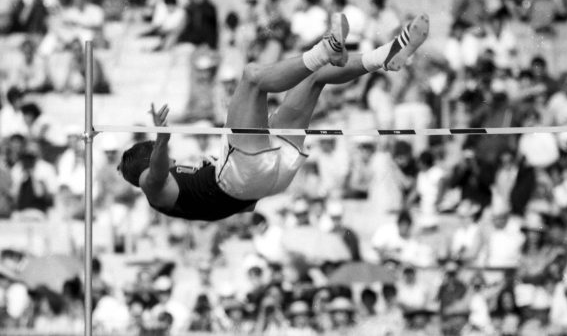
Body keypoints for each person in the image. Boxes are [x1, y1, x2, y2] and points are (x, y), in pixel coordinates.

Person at [118, 13, 430, 221]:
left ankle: (384, 55)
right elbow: (154, 173)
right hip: (242, 178)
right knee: (253, 76)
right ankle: (327, 48)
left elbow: (241, 204)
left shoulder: (181, 190)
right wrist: (161, 139)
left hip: (270, 179)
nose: (169, 157)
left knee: (315, 78)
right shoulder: (153, 188)